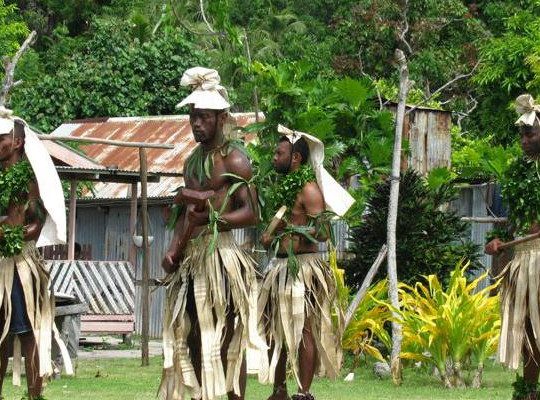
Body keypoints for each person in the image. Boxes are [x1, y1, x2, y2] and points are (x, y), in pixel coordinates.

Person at [159, 67, 263, 400]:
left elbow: (252, 212)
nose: (196, 124)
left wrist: (214, 220)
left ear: (220, 118)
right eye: (193, 117)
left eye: (203, 117)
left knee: (229, 335)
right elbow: (186, 215)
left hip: (224, 258)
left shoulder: (235, 158)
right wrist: (174, 248)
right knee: (193, 335)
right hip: (193, 258)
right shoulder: (192, 162)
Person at [258, 125, 354, 400]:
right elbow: (279, 225)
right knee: (276, 329)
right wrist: (271, 235)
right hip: (280, 268)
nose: (274, 157)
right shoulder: (285, 190)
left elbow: (323, 233)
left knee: (304, 329)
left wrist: (294, 232)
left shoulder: (309, 190)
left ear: (296, 158)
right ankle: (279, 391)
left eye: (280, 153)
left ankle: (303, 392)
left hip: (304, 268)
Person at [0, 107, 72, 400]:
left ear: (17, 142)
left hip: (21, 265)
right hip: (0, 264)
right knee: (1, 336)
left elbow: (35, 225)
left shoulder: (29, 179)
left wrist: (9, 234)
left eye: (2, 137)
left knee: (29, 331)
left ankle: (34, 395)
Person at [485, 94, 540, 400]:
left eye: (529, 133)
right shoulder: (520, 175)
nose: (523, 140)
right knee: (529, 330)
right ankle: (530, 391)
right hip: (523, 260)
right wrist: (499, 242)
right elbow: (515, 223)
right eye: (521, 134)